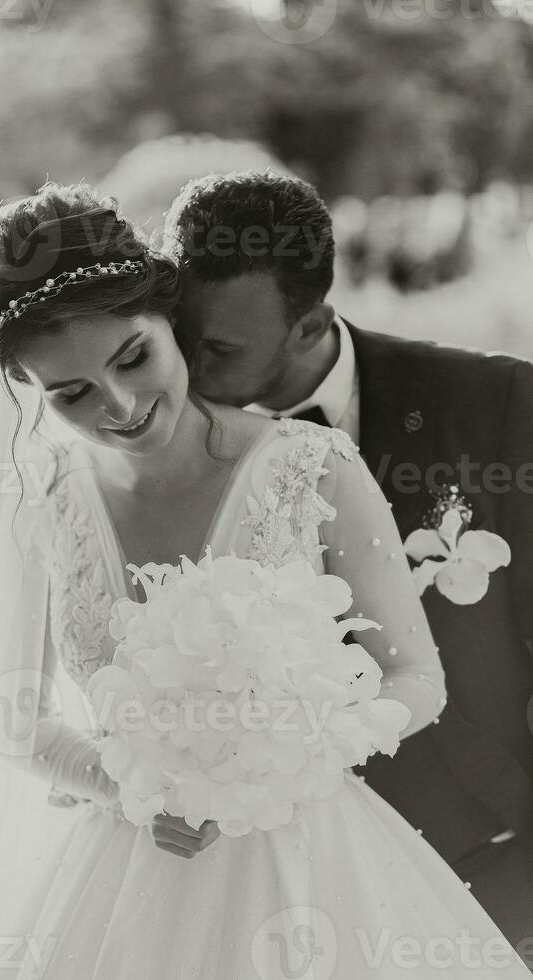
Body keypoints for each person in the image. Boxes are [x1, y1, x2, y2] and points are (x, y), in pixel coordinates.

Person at [0, 181, 529, 979]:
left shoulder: (309, 467)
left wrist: (286, 759)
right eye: (70, 393)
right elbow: (15, 715)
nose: (118, 406)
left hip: (316, 857)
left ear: (172, 323)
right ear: (31, 396)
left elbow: (416, 676)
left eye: (133, 357)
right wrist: (135, 789)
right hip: (126, 877)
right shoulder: (41, 504)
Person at [164, 169, 533, 959]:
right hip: (258, 877)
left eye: (218, 349)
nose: (185, 371)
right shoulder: (160, 450)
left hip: (487, 849)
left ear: (311, 323)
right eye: (179, 336)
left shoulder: (497, 402)